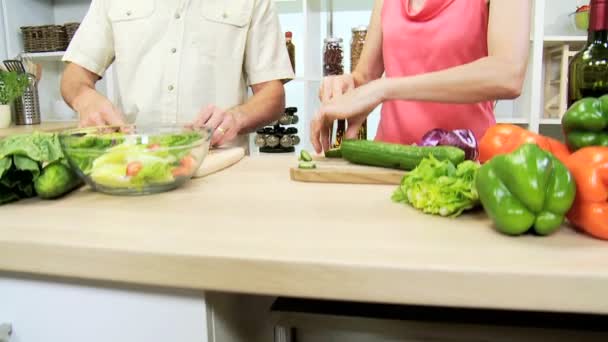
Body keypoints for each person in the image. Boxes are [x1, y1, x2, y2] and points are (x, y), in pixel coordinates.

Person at [61, 0, 294, 147]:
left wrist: (237, 117)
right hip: (136, 163)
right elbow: (74, 78)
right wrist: (85, 99)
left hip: (218, 164)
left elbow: (272, 95)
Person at [311, 0, 530, 153]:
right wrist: (347, 84)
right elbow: (366, 76)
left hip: (467, 164)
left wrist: (385, 88)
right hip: (388, 163)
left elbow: (507, 73)